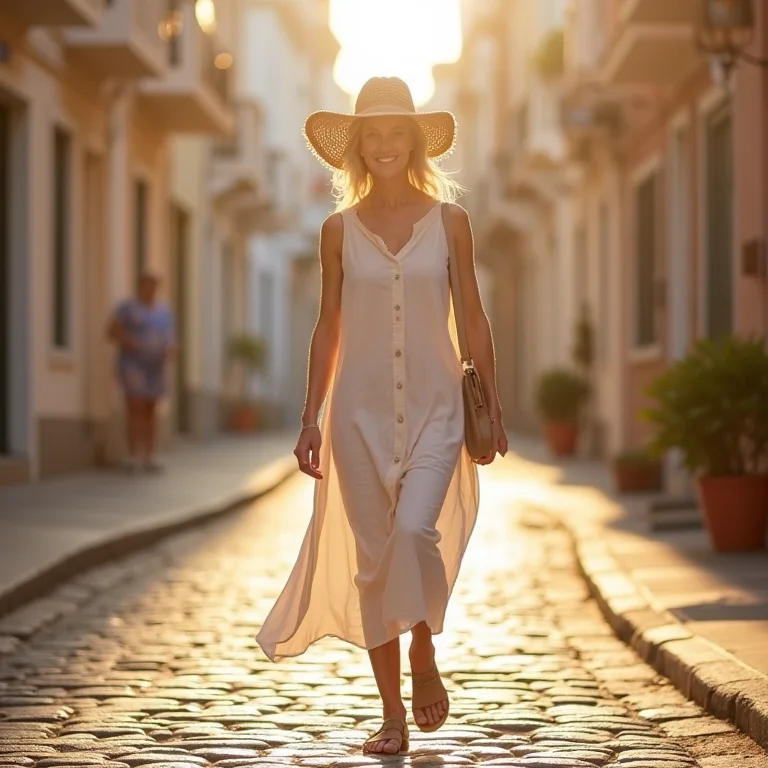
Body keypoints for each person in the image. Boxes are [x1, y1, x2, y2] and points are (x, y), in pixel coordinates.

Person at [256, 77, 508, 755]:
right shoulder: (337, 230)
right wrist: (310, 417)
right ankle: (392, 715)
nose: (387, 144)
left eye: (398, 132)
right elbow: (327, 327)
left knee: (416, 530)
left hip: (436, 408)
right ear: (358, 147)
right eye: (374, 134)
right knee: (373, 564)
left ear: (416, 142)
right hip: (357, 415)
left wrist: (494, 403)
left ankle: (423, 647)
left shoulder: (451, 222)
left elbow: (473, 315)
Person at [107, 271, 176, 474]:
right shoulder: (128, 308)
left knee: (151, 410)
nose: (150, 290)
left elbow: (172, 339)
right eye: (147, 286)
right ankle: (133, 455)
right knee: (135, 407)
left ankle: (150, 455)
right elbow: (111, 331)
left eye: (154, 286)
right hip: (133, 365)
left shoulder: (164, 312)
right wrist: (133, 343)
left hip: (155, 367)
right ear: (140, 287)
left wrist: (170, 350)